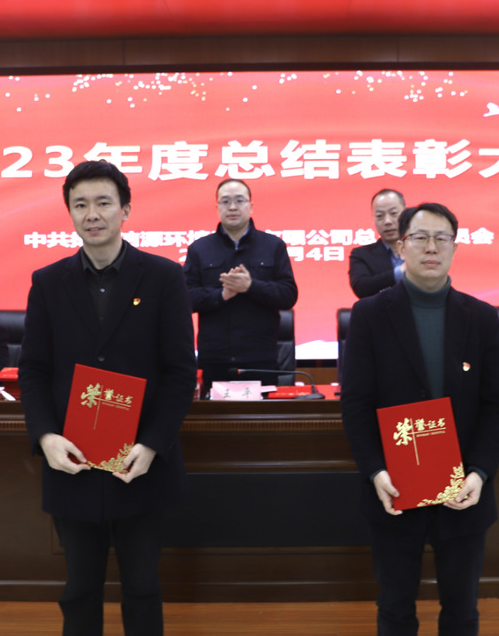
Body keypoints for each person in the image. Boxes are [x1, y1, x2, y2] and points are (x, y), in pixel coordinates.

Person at [18, 160, 196, 636]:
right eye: (80, 205)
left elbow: (181, 372)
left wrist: (152, 444)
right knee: (79, 587)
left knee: (142, 585)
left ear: (125, 210)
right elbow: (33, 370)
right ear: (70, 214)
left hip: (140, 461)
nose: (91, 214)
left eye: (103, 203)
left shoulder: (162, 277)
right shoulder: (48, 282)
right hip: (72, 459)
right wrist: (45, 437)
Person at [341, 202, 499, 635]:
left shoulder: (481, 317)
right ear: (402, 247)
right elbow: (356, 404)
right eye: (420, 238)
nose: (431, 247)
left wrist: (479, 472)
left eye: (442, 238)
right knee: (395, 608)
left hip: (463, 489)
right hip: (394, 487)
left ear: (455, 248)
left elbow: (498, 404)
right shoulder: (369, 315)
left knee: (462, 610)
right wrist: (375, 471)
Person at [183, 178, 298, 393]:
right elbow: (186, 299)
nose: (233, 207)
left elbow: (288, 295)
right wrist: (222, 295)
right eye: (225, 201)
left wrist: (251, 286)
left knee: (262, 414)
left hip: (260, 357)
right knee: (214, 414)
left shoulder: (273, 246)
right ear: (217, 208)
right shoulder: (199, 249)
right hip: (215, 358)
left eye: (239, 200)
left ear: (250, 206)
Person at [348, 188, 407, 299]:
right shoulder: (361, 255)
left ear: (405, 213)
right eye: (380, 216)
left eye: (394, 213)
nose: (387, 221)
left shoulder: (422, 248)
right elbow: (361, 287)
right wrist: (400, 272)